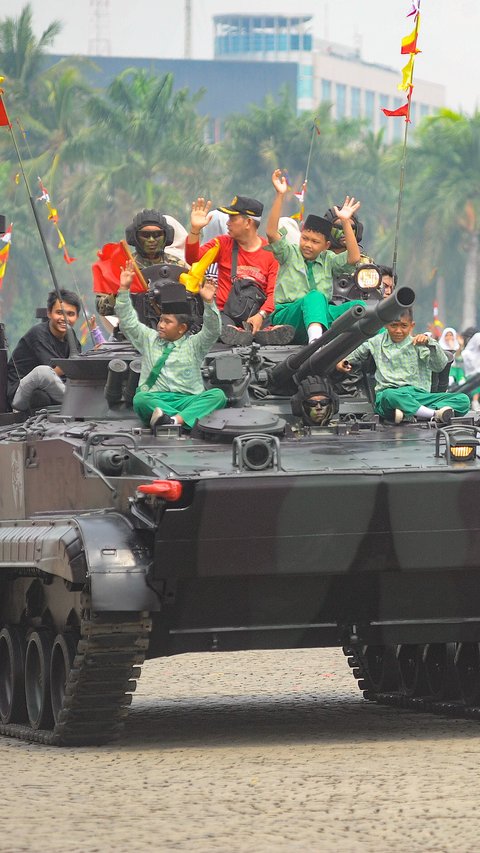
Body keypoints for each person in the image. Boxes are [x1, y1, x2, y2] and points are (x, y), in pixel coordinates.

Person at [115, 260, 227, 431]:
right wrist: (123, 290)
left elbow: (213, 330)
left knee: (218, 396)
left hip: (187, 399)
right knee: (141, 399)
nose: (160, 325)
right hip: (157, 400)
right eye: (161, 320)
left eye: (167, 322)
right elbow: (128, 321)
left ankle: (172, 421)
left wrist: (209, 303)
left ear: (182, 328)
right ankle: (185, 419)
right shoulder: (148, 339)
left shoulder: (194, 344)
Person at [265, 169, 363, 344]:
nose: (308, 245)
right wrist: (280, 195)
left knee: (361, 308)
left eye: (315, 242)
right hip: (289, 315)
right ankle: (316, 343)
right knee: (315, 297)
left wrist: (346, 222)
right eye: (305, 239)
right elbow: (272, 233)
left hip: (320, 313)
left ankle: (377, 349)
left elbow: (354, 258)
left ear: (326, 246)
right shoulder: (289, 253)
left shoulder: (328, 259)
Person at [185, 194, 293, 346]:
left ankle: (263, 332)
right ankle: (243, 334)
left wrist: (261, 315)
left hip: (257, 315)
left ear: (248, 222)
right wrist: (195, 229)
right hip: (225, 314)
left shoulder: (270, 252)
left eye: (233, 219)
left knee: (268, 323)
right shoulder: (222, 243)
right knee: (221, 326)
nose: (227, 223)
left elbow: (273, 293)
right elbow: (193, 259)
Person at [336, 307, 471, 424]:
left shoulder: (419, 343)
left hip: (418, 396)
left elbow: (439, 366)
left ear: (412, 326)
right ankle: (433, 415)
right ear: (386, 325)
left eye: (404, 326)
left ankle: (410, 412)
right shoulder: (375, 342)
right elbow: (354, 355)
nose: (398, 330)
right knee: (390, 396)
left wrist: (430, 344)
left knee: (463, 400)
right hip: (390, 396)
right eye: (394, 325)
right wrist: (343, 362)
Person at [7, 289, 81, 412]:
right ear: (49, 313)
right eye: (59, 312)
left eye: (70, 314)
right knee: (43, 372)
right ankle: (79, 406)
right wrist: (78, 363)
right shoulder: (38, 334)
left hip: (44, 393)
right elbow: (54, 372)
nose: (64, 318)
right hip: (20, 394)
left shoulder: (70, 335)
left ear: (77, 316)